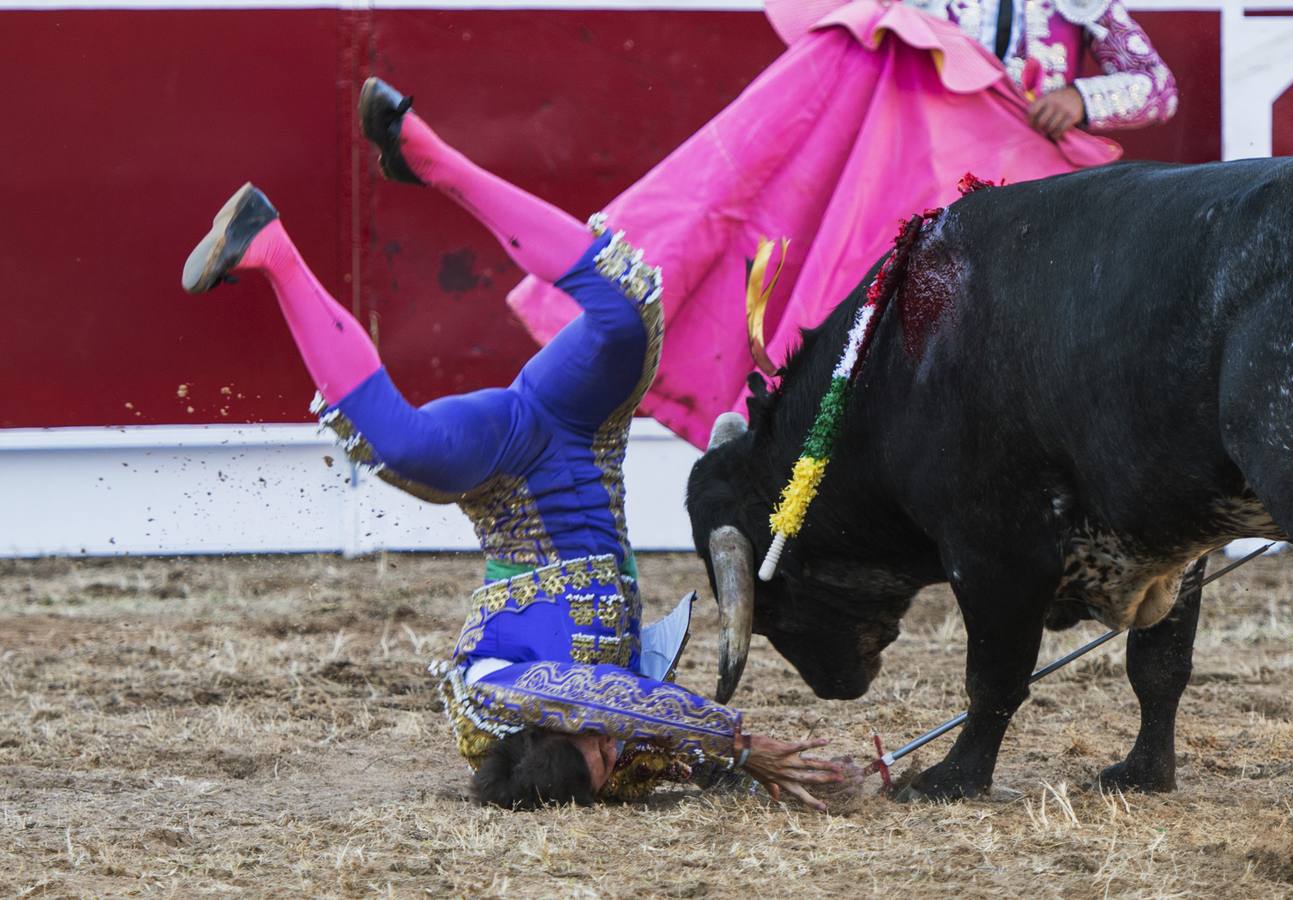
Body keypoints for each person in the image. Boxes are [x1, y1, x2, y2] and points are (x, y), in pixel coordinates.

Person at [180, 78, 852, 810]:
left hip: (502, 472)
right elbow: (651, 730)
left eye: (592, 747)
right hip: (584, 439)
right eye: (607, 760)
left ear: (542, 733)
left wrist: (737, 741)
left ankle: (283, 244)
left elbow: (605, 699)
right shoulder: (612, 744)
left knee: (400, 448)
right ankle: (381, 189)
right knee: (628, 316)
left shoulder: (498, 687)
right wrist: (768, 769)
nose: (610, 746)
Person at [506, 0, 1177, 447]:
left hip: (1024, 190)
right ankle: (785, 442)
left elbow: (1155, 84)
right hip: (909, 176)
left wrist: (1080, 97)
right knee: (847, 310)